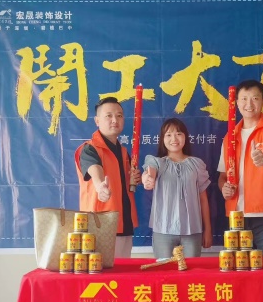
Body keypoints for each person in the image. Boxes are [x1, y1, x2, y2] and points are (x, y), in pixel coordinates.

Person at [217, 80, 263, 265]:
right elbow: (223, 176)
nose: (249, 104)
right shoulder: (229, 137)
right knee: (240, 273)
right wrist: (224, 188)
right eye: (244, 99)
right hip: (236, 216)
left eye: (255, 98)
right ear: (236, 102)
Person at [75, 97, 141, 258]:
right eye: (108, 116)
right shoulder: (89, 149)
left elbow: (123, 184)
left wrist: (134, 180)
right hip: (100, 225)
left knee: (123, 271)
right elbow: (94, 169)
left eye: (119, 116)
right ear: (97, 121)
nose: (114, 120)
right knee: (101, 272)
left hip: (124, 223)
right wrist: (100, 186)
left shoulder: (123, 152)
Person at [141, 118, 212, 259]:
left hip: (192, 231)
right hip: (163, 230)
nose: (174, 139)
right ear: (162, 139)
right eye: (168, 135)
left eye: (178, 134)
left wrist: (208, 229)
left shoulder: (196, 164)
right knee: (164, 270)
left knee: (192, 270)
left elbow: (203, 199)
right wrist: (147, 179)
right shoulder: (157, 162)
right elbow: (149, 172)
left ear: (185, 137)